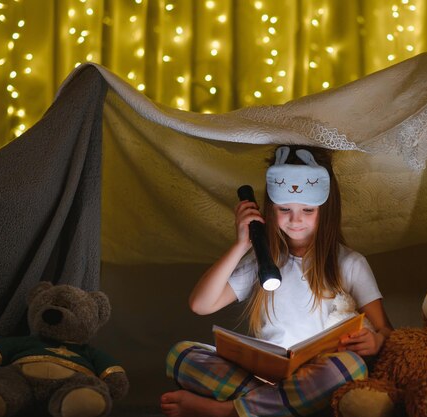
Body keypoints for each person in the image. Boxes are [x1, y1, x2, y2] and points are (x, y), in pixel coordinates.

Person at [160, 145, 393, 417]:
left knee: (350, 368)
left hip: (321, 376)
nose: (296, 220)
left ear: (326, 210)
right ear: (270, 210)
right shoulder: (263, 261)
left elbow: (386, 330)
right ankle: (279, 407)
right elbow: (200, 304)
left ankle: (227, 412)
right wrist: (240, 244)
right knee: (181, 355)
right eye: (285, 209)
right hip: (267, 379)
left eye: (308, 210)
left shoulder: (350, 264)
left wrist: (375, 342)